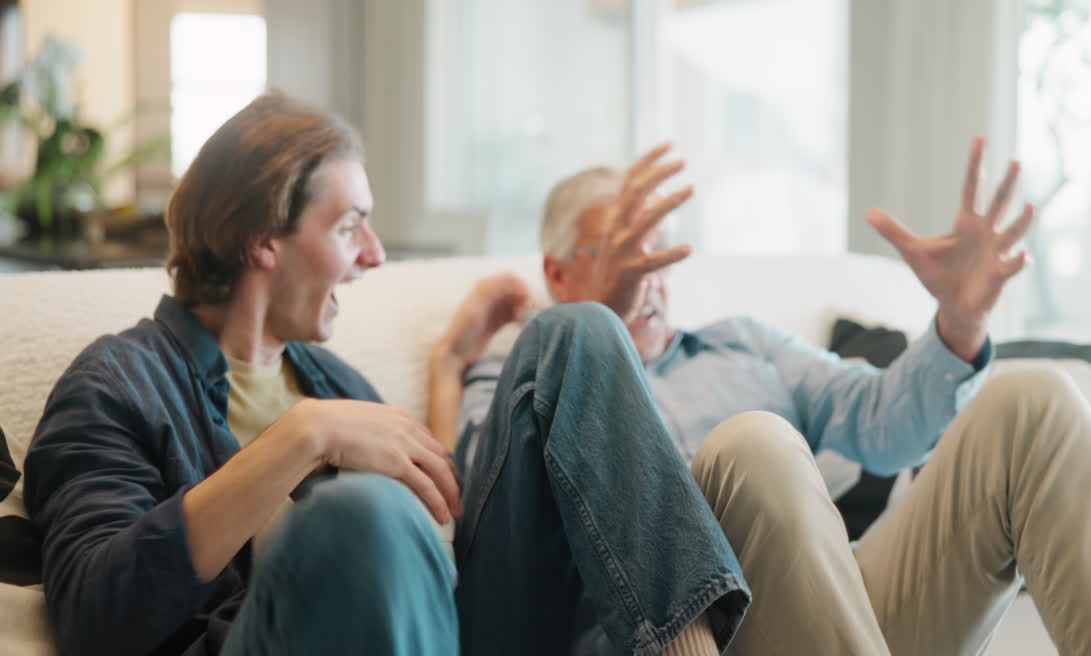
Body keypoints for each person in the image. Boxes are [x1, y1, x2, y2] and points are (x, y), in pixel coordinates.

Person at [24, 92, 747, 656]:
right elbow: (94, 616)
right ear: (262, 239)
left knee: (576, 332)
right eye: (350, 226)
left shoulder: (334, 383)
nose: (374, 255)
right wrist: (301, 439)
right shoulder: (118, 384)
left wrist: (449, 365)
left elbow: (443, 539)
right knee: (357, 513)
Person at [432, 140, 1091, 655]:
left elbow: (886, 428)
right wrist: (463, 359)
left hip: (836, 614)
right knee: (753, 446)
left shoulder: (745, 345)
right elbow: (482, 515)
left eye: (658, 252)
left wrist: (959, 324)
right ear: (557, 274)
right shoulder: (518, 381)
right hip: (682, 637)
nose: (648, 279)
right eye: (620, 253)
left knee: (1033, 403)